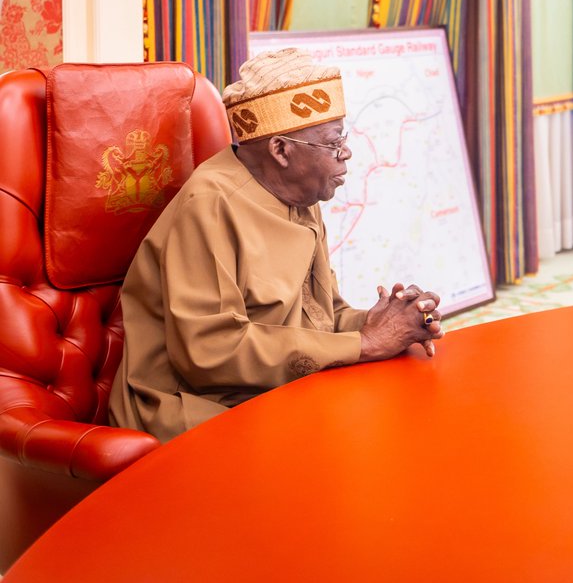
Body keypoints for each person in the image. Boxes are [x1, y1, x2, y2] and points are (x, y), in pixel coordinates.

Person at [110, 48, 444, 441]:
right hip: (193, 404)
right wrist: (365, 344)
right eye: (333, 143)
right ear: (281, 151)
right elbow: (209, 352)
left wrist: (390, 322)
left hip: (273, 389)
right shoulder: (212, 205)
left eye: (344, 137)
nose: (346, 153)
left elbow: (322, 317)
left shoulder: (299, 193)